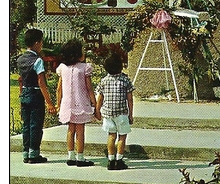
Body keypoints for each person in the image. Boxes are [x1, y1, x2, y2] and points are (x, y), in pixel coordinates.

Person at [17, 28, 57, 163]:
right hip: (35, 94)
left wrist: (21, 93)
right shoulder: (38, 61)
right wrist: (49, 102)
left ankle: (26, 153)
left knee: (26, 125)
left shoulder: (21, 59)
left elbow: (21, 79)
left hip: (25, 94)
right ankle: (34, 154)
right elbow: (42, 82)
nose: (41, 45)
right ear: (36, 43)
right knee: (36, 125)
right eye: (41, 42)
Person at [56, 38, 96, 167]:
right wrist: (94, 103)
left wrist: (58, 104)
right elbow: (89, 88)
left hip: (67, 104)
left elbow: (59, 89)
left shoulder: (63, 68)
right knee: (80, 130)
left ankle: (70, 156)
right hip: (81, 103)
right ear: (77, 54)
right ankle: (80, 156)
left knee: (70, 129)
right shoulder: (85, 68)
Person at [95, 52, 134, 171]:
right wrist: (131, 114)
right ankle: (119, 159)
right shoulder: (125, 80)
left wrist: (97, 110)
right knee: (122, 136)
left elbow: (100, 97)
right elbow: (130, 98)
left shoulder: (104, 80)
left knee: (111, 136)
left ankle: (111, 160)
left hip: (108, 113)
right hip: (121, 113)